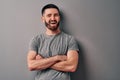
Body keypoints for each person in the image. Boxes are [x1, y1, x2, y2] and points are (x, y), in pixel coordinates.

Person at [27, 4, 79, 80]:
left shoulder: (70, 39)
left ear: (59, 18)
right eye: (49, 15)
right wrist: (57, 58)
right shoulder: (36, 40)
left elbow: (72, 66)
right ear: (43, 19)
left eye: (56, 15)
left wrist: (42, 61)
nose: (53, 18)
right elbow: (31, 65)